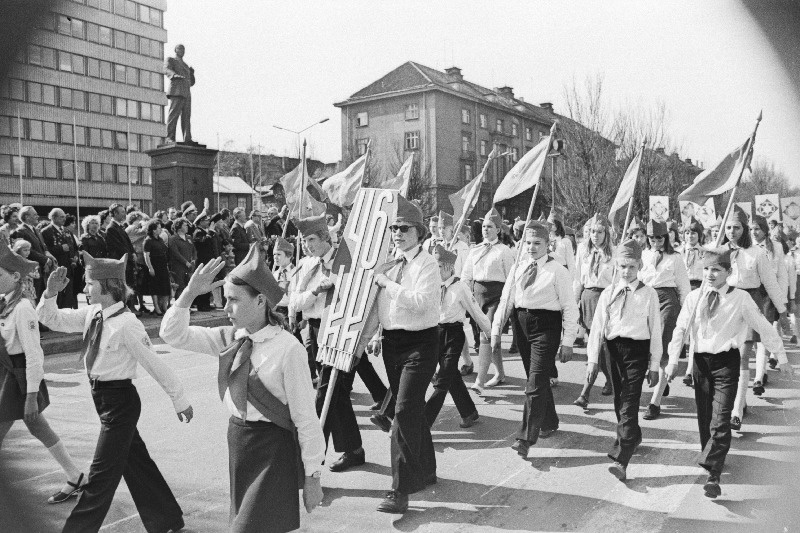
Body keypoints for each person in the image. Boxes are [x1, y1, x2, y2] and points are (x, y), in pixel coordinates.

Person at [159, 245, 325, 532]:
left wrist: (313, 477)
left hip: (273, 449)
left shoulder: (288, 349)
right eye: (225, 300)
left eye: (233, 301)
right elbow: (172, 334)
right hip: (239, 442)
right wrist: (188, 294)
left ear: (261, 300)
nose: (225, 309)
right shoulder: (229, 338)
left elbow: (306, 418)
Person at [38, 253, 193, 533]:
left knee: (100, 476)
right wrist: (49, 294)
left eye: (89, 284)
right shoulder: (92, 314)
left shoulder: (127, 324)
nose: (84, 290)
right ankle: (166, 519)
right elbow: (52, 319)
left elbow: (154, 363)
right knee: (136, 463)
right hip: (102, 398)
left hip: (120, 402)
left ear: (108, 286)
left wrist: (179, 399)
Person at [664, 248, 793, 498]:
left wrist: (782, 355)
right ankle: (713, 455)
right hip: (701, 362)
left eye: (716, 270)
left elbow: (763, 327)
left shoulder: (741, 298)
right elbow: (680, 329)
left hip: (726, 362)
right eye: (707, 269)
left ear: (728, 272)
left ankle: (713, 474)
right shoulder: (694, 297)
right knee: (705, 418)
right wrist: (672, 361)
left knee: (721, 416)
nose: (710, 275)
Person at [0, 239, 85, 505]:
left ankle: (75, 476)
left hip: (20, 380)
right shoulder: (5, 303)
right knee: (38, 426)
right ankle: (75, 475)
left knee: (32, 423)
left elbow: (34, 355)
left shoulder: (23, 308)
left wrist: (30, 396)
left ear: (15, 277)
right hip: (7, 376)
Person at [370, 195, 440, 513]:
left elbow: (421, 302)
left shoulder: (427, 264)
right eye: (395, 227)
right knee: (411, 410)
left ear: (419, 233)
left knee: (402, 411)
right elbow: (378, 305)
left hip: (421, 344)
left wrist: (387, 283)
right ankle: (426, 469)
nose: (398, 233)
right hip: (392, 343)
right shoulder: (387, 262)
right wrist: (374, 333)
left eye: (405, 228)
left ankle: (400, 490)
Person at [492, 220, 578, 458]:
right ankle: (549, 421)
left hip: (546, 327)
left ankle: (525, 438)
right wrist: (496, 329)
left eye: (537, 243)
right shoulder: (518, 267)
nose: (531, 247)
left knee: (535, 381)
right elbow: (506, 300)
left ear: (548, 244)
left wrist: (568, 340)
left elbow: (570, 308)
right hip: (521, 325)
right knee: (535, 379)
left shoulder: (558, 271)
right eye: (527, 242)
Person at [291, 214, 369, 473]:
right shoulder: (306, 266)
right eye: (303, 240)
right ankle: (354, 450)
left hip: (340, 331)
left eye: (311, 239)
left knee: (326, 392)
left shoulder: (344, 261)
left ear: (325, 237)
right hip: (314, 333)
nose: (307, 245)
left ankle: (309, 458)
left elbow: (357, 296)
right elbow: (296, 302)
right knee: (337, 394)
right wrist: (315, 292)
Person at [586, 239, 662, 481]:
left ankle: (622, 457)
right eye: (622, 266)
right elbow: (598, 327)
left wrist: (654, 364)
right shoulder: (608, 293)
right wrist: (592, 360)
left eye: (631, 266)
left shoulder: (649, 294)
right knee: (620, 400)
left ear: (639, 265)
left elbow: (656, 331)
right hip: (613, 350)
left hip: (637, 351)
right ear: (616, 267)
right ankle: (634, 435)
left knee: (629, 402)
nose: (626, 271)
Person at [722, 207, 785, 430]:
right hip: (726, 305)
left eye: (736, 227)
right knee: (727, 357)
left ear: (745, 229)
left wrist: (782, 308)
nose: (731, 231)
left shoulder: (757, 253)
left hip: (749, 304)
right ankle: (741, 399)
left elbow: (770, 283)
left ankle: (737, 409)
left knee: (743, 355)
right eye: (728, 227)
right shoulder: (720, 251)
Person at [425, 244, 490, 428]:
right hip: (434, 333)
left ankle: (423, 422)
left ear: (449, 267)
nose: (434, 270)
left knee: (443, 378)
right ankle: (469, 412)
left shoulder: (460, 287)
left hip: (453, 335)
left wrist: (489, 332)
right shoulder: (432, 286)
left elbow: (476, 311)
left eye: (438, 266)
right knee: (451, 375)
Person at [639, 219, 691, 420]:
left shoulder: (675, 258)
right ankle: (660, 381)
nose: (655, 241)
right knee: (645, 346)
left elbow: (684, 288)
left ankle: (655, 402)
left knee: (663, 351)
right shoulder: (643, 255)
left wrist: (685, 314)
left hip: (667, 302)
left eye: (659, 237)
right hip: (644, 301)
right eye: (651, 238)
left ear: (666, 237)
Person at [461, 208, 515, 392]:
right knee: (491, 339)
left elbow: (510, 279)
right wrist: (464, 296)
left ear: (498, 229)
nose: (485, 229)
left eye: (490, 227)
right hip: (477, 297)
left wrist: (508, 304)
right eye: (484, 226)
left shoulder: (504, 251)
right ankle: (500, 373)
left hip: (496, 297)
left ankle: (480, 381)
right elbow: (466, 276)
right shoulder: (474, 250)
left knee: (486, 336)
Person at [573, 214, 616, 408]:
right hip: (588, 299)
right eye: (592, 232)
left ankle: (585, 392)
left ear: (607, 233)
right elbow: (577, 278)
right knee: (595, 345)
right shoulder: (583, 250)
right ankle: (611, 379)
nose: (595, 236)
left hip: (605, 299)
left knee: (601, 345)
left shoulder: (614, 252)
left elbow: (617, 281)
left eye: (599, 232)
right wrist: (575, 303)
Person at [750, 215, 787, 396]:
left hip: (768, 295)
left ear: (765, 230)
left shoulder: (777, 247)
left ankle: (758, 377)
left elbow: (781, 276)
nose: (754, 233)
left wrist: (782, 301)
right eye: (751, 229)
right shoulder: (747, 247)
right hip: (751, 293)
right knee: (752, 336)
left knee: (763, 334)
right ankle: (762, 370)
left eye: (757, 229)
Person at [680, 218, 707, 387]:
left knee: (694, 330)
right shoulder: (677, 251)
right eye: (687, 232)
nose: (690, 236)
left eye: (694, 233)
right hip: (681, 289)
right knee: (682, 327)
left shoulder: (704, 252)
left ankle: (690, 370)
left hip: (698, 288)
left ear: (699, 235)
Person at [11, 206, 56, 300]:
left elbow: (43, 247)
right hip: (30, 272)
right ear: (27, 217)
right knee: (33, 299)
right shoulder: (20, 231)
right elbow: (26, 250)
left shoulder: (35, 230)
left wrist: (47, 254)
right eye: (35, 214)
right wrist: (45, 260)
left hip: (41, 270)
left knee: (40, 298)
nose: (37, 216)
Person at [104, 204, 138, 315]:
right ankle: (125, 308)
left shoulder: (120, 227)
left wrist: (133, 253)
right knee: (123, 286)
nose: (124, 214)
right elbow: (118, 246)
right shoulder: (111, 229)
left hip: (127, 262)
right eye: (122, 212)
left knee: (129, 284)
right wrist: (129, 254)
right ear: (115, 213)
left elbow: (128, 243)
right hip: (121, 263)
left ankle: (130, 307)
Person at [41, 209, 78, 309]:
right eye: (61, 217)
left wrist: (75, 256)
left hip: (69, 268)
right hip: (56, 269)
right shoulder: (46, 231)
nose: (64, 219)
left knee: (68, 297)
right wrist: (60, 248)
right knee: (57, 297)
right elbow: (45, 250)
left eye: (64, 217)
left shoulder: (67, 231)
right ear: (53, 217)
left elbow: (75, 247)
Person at [164, 43, 195, 143]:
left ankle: (187, 138)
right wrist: (174, 75)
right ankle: (170, 137)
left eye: (183, 49)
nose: (182, 51)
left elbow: (191, 82)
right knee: (173, 114)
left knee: (186, 116)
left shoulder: (186, 66)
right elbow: (166, 69)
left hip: (186, 92)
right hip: (176, 91)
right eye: (180, 49)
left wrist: (192, 74)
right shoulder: (171, 60)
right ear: (175, 50)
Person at [143, 220, 171, 316]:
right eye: (159, 228)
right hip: (155, 265)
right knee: (155, 287)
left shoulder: (160, 239)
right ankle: (156, 307)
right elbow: (146, 256)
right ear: (154, 230)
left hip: (163, 265)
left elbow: (165, 251)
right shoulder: (148, 241)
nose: (161, 229)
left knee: (165, 287)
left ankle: (164, 306)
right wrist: (150, 268)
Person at [192, 214, 216, 312]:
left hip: (207, 261)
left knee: (207, 282)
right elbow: (203, 242)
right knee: (202, 283)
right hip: (202, 261)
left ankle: (206, 303)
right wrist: (210, 233)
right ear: (200, 221)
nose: (208, 222)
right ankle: (201, 304)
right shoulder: (198, 232)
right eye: (206, 220)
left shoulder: (203, 232)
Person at [168, 218, 196, 301]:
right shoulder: (173, 239)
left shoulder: (189, 237)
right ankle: (179, 307)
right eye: (185, 225)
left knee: (188, 287)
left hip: (189, 266)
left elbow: (194, 250)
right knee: (180, 287)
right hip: (178, 267)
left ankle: (187, 307)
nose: (187, 227)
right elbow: (176, 253)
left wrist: (193, 260)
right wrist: (186, 262)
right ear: (179, 227)